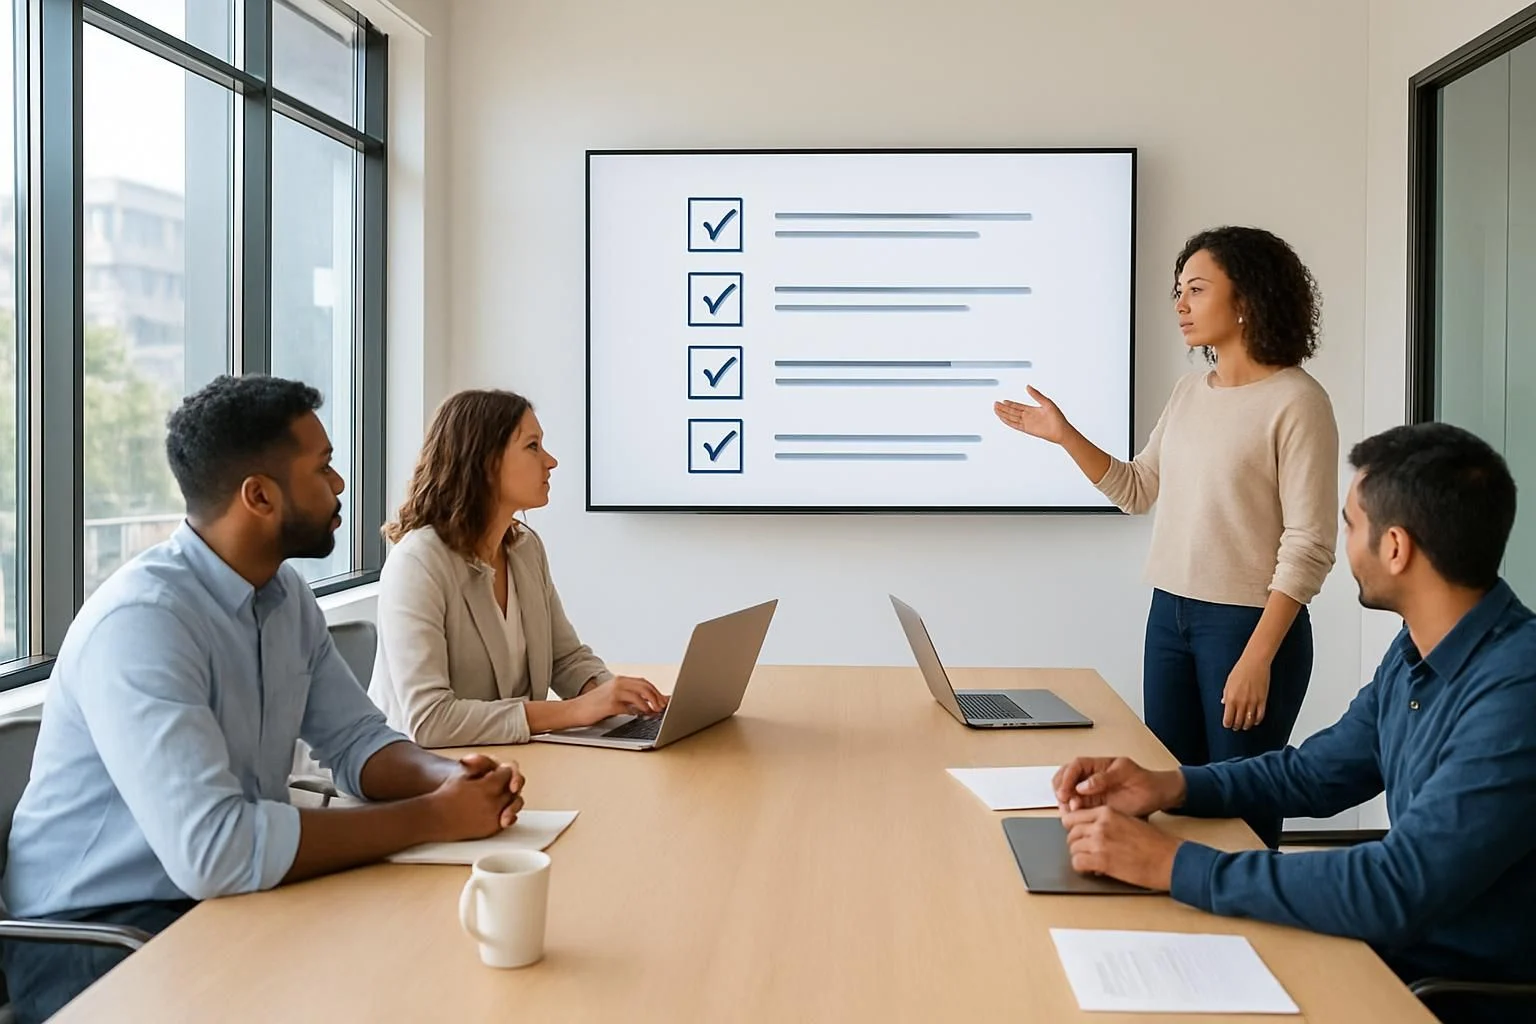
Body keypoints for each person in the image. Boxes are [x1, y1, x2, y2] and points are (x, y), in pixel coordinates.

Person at [0, 376, 527, 1024]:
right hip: (96, 938)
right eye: (324, 468)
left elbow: (358, 741)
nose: (340, 485)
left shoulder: (284, 596)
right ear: (259, 495)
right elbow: (215, 850)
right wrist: (435, 818)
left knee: (422, 971)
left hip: (220, 899)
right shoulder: (143, 624)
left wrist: (450, 777)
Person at [1052, 422, 1536, 1020]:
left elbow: (1397, 887)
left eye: (1351, 524)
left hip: (1441, 990)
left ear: (1394, 547)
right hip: (1378, 952)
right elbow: (1314, 774)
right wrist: (1171, 785)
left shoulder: (1518, 690)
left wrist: (1169, 864)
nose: (1342, 541)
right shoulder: (1417, 652)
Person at [994, 225, 1339, 848]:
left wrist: (1257, 657)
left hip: (1248, 627)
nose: (1180, 304)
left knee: (1244, 805)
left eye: (1197, 289)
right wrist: (1064, 435)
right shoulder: (1189, 394)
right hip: (1170, 618)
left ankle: (1254, 934)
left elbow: (1310, 543)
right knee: (1168, 799)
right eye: (1178, 290)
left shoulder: (1297, 401)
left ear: (1247, 298)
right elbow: (1137, 490)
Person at [369, 389, 666, 747]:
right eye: (533, 446)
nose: (551, 461)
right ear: (485, 461)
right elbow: (430, 721)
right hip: (420, 773)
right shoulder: (418, 564)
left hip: (506, 763)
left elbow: (564, 659)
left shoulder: (525, 547)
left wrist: (619, 698)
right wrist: (577, 711)